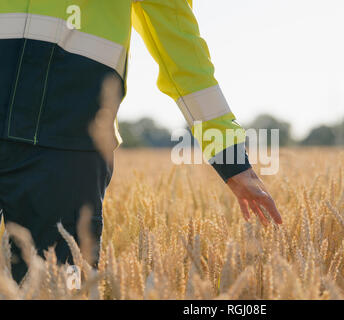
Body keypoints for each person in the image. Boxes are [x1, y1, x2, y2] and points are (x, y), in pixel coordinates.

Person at [0, 0, 282, 284]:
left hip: (68, 146)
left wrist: (229, 156)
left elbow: (177, 39)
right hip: (69, 141)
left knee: (53, 288)